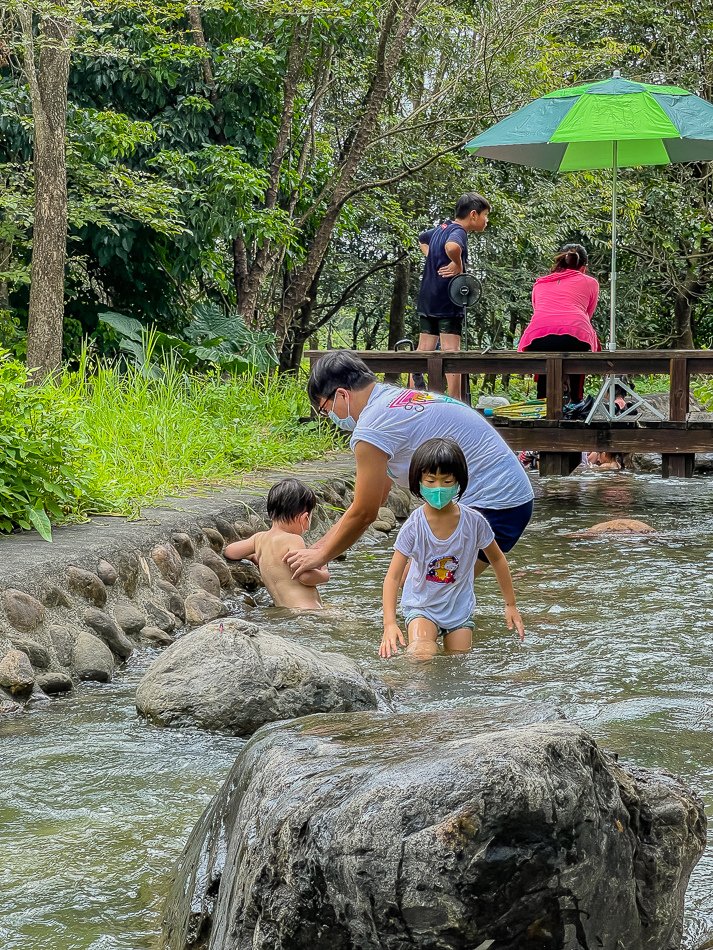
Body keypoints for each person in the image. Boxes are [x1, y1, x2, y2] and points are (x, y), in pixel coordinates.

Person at [284, 351, 534, 581]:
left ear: (341, 394)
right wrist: (320, 548)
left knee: (422, 591)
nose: (331, 418)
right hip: (507, 497)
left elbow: (365, 513)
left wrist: (320, 557)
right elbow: (376, 498)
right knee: (418, 587)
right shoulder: (391, 401)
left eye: (326, 410)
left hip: (494, 505)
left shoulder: (372, 426)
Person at [380, 438, 525, 659]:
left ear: (459, 482)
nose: (438, 488)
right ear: (418, 481)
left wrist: (511, 604)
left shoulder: (474, 522)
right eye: (430, 480)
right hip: (422, 605)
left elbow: (497, 559)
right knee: (422, 652)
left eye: (446, 481)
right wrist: (389, 623)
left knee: (459, 662)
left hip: (459, 609)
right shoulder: (414, 526)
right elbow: (393, 577)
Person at [414, 192, 491, 400]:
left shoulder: (443, 227)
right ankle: (455, 403)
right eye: (486, 215)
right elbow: (452, 246)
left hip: (428, 296)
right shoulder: (459, 231)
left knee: (423, 351)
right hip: (447, 299)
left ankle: (413, 397)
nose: (487, 220)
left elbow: (422, 238)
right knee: (451, 352)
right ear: (473, 215)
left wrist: (432, 256)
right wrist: (457, 264)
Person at [224, 478, 329, 610]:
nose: (307, 527)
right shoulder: (294, 540)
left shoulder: (259, 539)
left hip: (284, 610)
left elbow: (230, 551)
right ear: (304, 518)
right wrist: (324, 572)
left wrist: (252, 556)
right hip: (307, 609)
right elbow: (304, 576)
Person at [519, 243, 600, 402]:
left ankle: (542, 402)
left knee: (545, 361)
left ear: (558, 263)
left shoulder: (540, 283)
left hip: (537, 337)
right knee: (578, 355)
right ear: (584, 267)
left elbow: (538, 311)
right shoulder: (591, 283)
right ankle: (576, 401)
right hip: (576, 335)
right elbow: (587, 315)